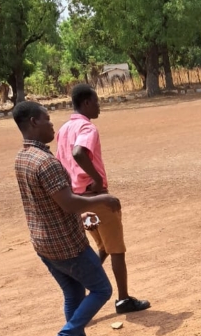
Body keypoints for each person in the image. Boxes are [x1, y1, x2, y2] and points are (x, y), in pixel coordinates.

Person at [13, 101, 120, 336]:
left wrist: (79, 214)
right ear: (33, 122)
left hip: (43, 242)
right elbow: (69, 203)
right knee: (102, 289)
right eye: (47, 119)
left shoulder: (22, 158)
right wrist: (103, 199)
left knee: (73, 294)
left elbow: (49, 202)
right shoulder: (46, 163)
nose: (52, 125)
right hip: (66, 244)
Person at [56, 84, 150, 314]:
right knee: (116, 248)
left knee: (103, 246)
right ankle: (123, 299)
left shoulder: (63, 129)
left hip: (79, 201)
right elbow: (79, 152)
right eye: (96, 101)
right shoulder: (87, 128)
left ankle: (86, 292)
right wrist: (97, 180)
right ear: (86, 102)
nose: (99, 106)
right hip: (95, 198)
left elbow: (62, 161)